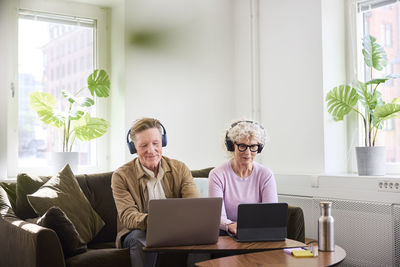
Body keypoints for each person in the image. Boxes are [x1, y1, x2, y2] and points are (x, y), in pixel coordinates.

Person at [111, 118, 201, 267]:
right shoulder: (121, 176)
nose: (151, 150)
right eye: (143, 145)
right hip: (138, 230)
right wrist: (158, 222)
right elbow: (128, 216)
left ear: (162, 143)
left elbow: (195, 205)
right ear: (134, 148)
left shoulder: (180, 168)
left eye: (155, 143)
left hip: (177, 229)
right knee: (138, 239)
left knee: (201, 237)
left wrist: (178, 223)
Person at [208, 119, 278, 236]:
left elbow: (270, 214)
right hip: (227, 233)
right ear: (232, 146)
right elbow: (218, 216)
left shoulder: (266, 174)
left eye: (253, 146)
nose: (248, 152)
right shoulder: (217, 174)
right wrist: (230, 225)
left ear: (259, 148)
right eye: (242, 146)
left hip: (259, 232)